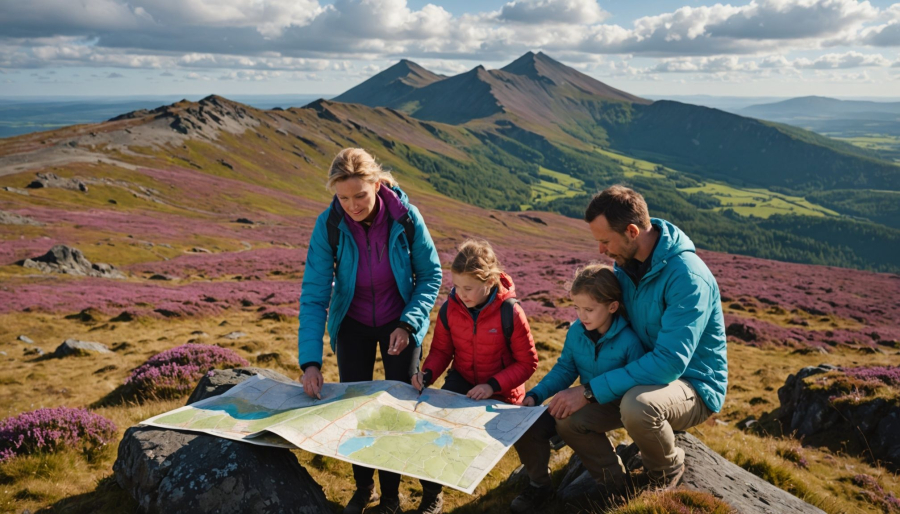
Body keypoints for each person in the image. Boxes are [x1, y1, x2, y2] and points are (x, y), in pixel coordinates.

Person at [553, 185, 727, 494]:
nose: (601, 251)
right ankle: (615, 487)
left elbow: (670, 363)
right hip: (641, 376)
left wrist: (590, 391)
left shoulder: (687, 277)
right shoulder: (623, 269)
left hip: (693, 386)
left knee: (638, 406)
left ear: (632, 231)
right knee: (570, 420)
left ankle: (666, 473)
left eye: (605, 241)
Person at [297, 148, 442, 514]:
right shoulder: (329, 224)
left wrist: (409, 323)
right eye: (343, 197)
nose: (353, 205)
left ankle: (409, 493)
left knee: (401, 409)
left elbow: (429, 276)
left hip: (401, 322)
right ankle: (368, 490)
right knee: (357, 410)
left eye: (360, 195)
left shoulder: (405, 218)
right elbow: (314, 295)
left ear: (377, 184)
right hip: (353, 326)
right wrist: (310, 362)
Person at [412, 238, 539, 514]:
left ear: (489, 281)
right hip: (463, 381)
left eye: (468, 288)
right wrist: (427, 373)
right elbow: (442, 350)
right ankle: (432, 495)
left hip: (503, 389)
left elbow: (528, 363)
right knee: (432, 425)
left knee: (527, 437)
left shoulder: (511, 311)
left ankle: (540, 485)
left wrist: (492, 385)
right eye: (456, 286)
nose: (461, 293)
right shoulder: (450, 308)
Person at [509, 263, 645, 513]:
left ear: (612, 306)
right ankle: (539, 486)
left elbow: (636, 383)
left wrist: (591, 397)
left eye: (589, 309)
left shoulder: (630, 341)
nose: (582, 316)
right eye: (577, 308)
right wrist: (535, 395)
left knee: (568, 422)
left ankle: (616, 488)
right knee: (529, 425)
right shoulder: (576, 332)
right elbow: (564, 369)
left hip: (619, 405)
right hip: (585, 398)